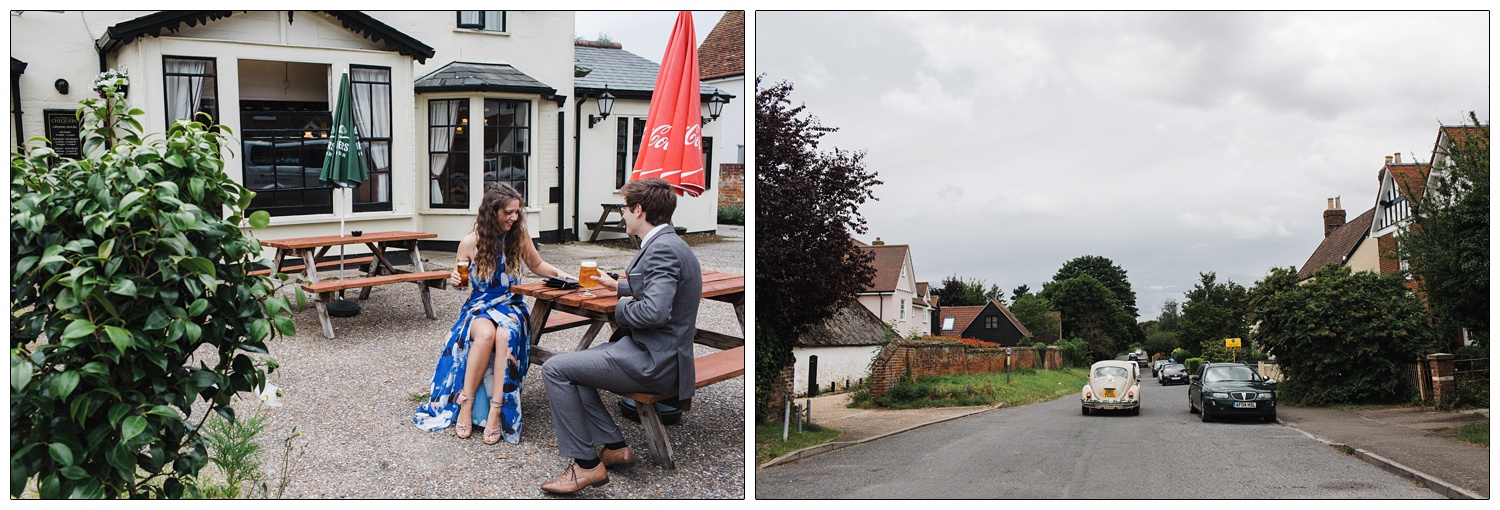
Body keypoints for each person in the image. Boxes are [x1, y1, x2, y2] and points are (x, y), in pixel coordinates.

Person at [538, 178, 702, 495]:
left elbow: (654, 313)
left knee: (554, 369)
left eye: (624, 209)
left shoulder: (661, 250)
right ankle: (614, 447)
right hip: (661, 355)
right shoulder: (670, 244)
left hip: (654, 363)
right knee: (573, 367)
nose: (622, 216)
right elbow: (664, 291)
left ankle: (586, 465)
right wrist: (618, 286)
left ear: (638, 210)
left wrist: (622, 306)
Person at [413, 183, 572, 445]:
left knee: (505, 335)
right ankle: (467, 401)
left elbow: (537, 264)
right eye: (508, 212)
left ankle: (497, 409)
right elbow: (462, 282)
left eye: (517, 212)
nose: (514, 217)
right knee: (485, 334)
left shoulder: (519, 237)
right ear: (492, 211)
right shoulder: (470, 242)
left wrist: (561, 275)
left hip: (510, 305)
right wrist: (455, 280)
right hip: (480, 306)